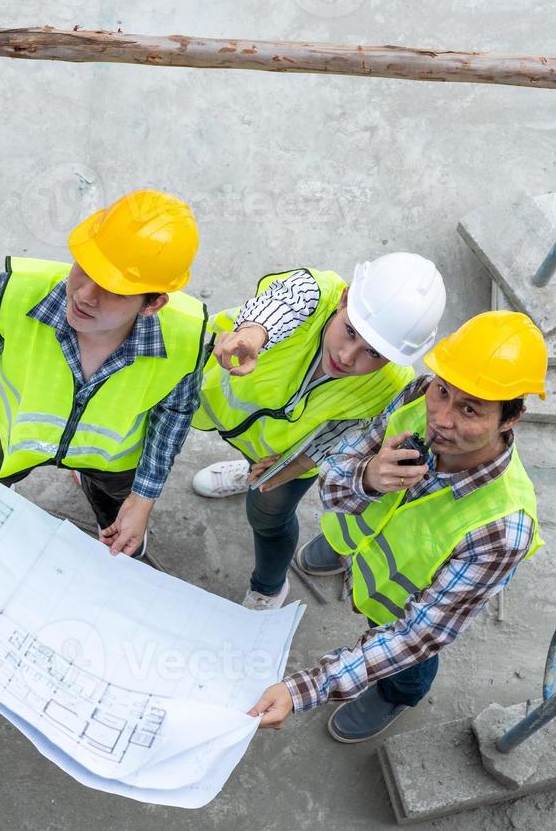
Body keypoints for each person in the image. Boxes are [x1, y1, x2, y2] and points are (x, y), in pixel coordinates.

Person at [245, 310, 549, 742]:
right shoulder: (417, 396)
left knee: (409, 664)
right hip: (357, 540)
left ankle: (396, 694)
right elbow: (333, 484)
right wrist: (367, 477)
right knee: (348, 524)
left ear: (510, 418)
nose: (441, 419)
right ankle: (345, 557)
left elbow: (416, 634)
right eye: (443, 391)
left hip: (397, 607)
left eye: (469, 409)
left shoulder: (502, 530)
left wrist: (304, 690)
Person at [0, 189, 207, 557]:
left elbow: (174, 414)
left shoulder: (185, 341)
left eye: (113, 291)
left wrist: (143, 498)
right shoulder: (18, 294)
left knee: (119, 530)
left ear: (153, 303)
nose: (84, 295)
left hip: (112, 461)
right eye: (86, 269)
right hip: (13, 438)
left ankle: (98, 493)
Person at [187, 254, 446, 609]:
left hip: (284, 453)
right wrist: (251, 335)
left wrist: (287, 470)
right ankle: (246, 469)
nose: (347, 355)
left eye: (373, 353)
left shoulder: (389, 387)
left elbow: (339, 434)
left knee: (267, 515)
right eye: (350, 330)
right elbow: (280, 305)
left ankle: (268, 587)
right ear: (344, 298)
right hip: (231, 414)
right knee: (257, 477)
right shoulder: (314, 291)